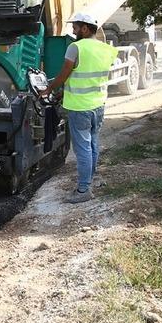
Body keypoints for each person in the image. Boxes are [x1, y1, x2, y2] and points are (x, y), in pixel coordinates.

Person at [40, 13, 118, 203]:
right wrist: (62, 93)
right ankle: (90, 180)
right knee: (92, 143)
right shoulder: (106, 49)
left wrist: (48, 89)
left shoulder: (75, 47)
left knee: (82, 148)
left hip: (79, 107)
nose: (73, 30)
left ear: (85, 28)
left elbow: (64, 74)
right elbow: (88, 76)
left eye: (75, 27)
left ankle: (83, 191)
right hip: (98, 104)